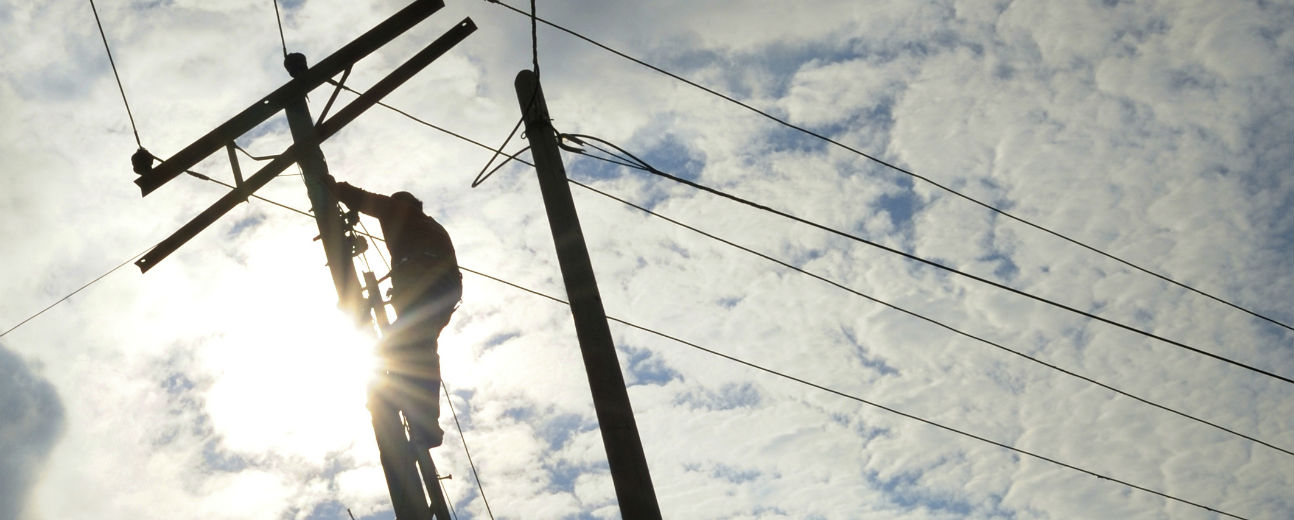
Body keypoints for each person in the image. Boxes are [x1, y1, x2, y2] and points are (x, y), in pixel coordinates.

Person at [329, 177, 462, 449]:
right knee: (415, 346)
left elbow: (372, 201)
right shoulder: (429, 227)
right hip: (441, 290)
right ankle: (409, 405)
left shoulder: (404, 214)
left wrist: (336, 188)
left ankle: (416, 415)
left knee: (406, 344)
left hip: (428, 285)